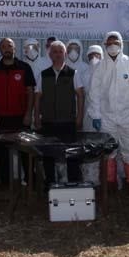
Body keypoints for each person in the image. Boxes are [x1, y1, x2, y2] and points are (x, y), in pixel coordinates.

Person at [90, 31, 129, 193]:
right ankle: (110, 185)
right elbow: (94, 93)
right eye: (110, 43)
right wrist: (96, 115)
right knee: (108, 150)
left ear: (121, 44)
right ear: (104, 45)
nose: (113, 46)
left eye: (116, 43)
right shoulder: (99, 67)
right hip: (107, 117)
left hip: (127, 115)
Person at [0, 37, 36, 187]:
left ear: (15, 48)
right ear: (0, 49)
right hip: (0, 117)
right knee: (2, 152)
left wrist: (28, 114)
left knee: (25, 151)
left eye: (10, 46)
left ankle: (30, 180)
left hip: (21, 117)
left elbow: (30, 92)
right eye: (4, 46)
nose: (7, 48)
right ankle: (5, 182)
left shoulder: (24, 67)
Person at [34, 41, 85, 184]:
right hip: (48, 121)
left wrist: (79, 117)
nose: (57, 54)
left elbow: (81, 95)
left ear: (65, 54)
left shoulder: (73, 73)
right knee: (48, 155)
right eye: (54, 52)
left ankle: (73, 183)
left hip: (68, 121)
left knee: (72, 154)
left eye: (60, 52)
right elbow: (37, 97)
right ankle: (50, 183)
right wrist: (36, 117)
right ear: (50, 55)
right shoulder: (43, 75)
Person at [80, 45, 104, 184]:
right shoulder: (84, 73)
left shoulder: (107, 72)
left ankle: (109, 178)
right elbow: (83, 95)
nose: (94, 58)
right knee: (89, 147)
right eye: (91, 55)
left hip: (106, 115)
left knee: (106, 148)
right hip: (88, 116)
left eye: (97, 55)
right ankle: (90, 179)